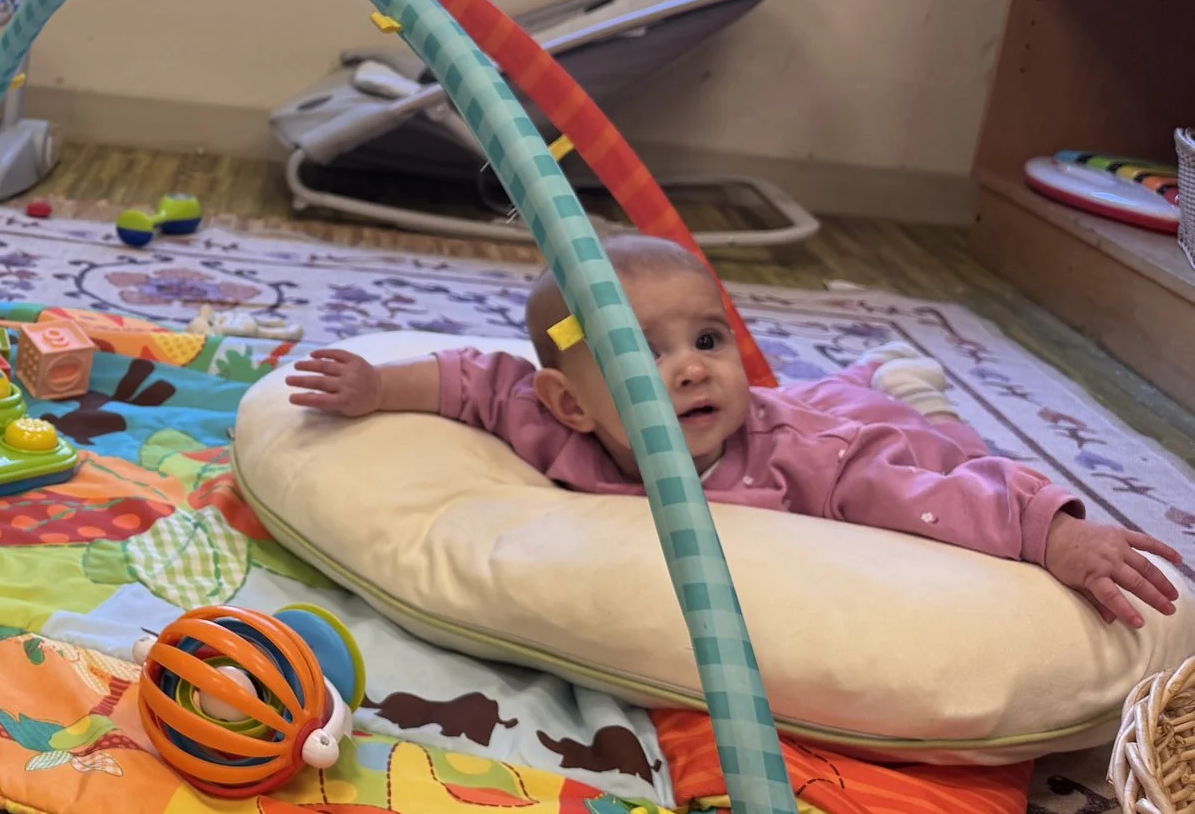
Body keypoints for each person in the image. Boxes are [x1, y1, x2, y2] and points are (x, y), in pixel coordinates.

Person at [282, 234, 1182, 630]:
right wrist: (373, 387)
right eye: (647, 355)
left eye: (708, 338)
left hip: (853, 432)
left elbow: (930, 497)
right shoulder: (547, 417)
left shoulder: (803, 458)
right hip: (806, 407)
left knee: (937, 442)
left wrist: (1055, 533)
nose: (692, 367)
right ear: (571, 404)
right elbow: (473, 379)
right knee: (841, 400)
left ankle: (900, 384)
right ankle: (870, 378)